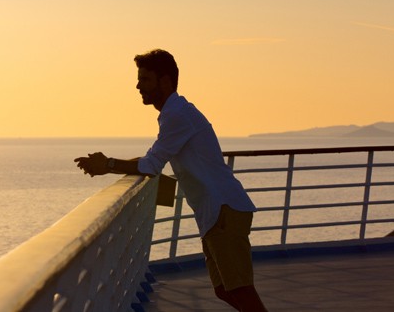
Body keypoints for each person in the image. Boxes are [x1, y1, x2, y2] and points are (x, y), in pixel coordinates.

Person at [74, 49, 268, 312]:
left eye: (145, 79)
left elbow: (152, 165)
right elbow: (153, 157)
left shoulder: (177, 115)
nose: (138, 85)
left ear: (165, 81)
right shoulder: (175, 112)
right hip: (218, 213)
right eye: (139, 79)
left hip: (224, 211)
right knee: (224, 290)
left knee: (240, 290)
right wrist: (113, 163)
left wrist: (108, 164)